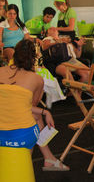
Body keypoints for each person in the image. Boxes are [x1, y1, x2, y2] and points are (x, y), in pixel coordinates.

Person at [0, 39, 69, 171]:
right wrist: (45, 112)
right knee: (35, 117)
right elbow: (28, 107)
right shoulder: (36, 79)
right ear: (34, 58)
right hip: (21, 135)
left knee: (35, 115)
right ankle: (48, 159)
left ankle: (49, 158)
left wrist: (44, 112)